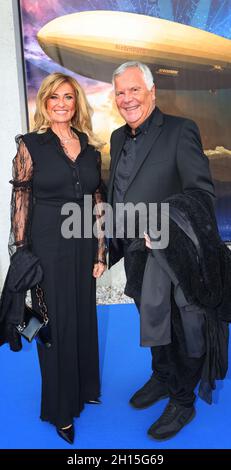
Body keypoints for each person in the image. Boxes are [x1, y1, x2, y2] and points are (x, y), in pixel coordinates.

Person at [107, 61, 215, 439]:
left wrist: (164, 224)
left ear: (152, 91)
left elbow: (201, 193)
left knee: (180, 328)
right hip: (135, 253)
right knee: (151, 321)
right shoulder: (118, 137)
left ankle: (183, 401)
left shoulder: (181, 131)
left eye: (135, 90)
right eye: (121, 92)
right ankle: (163, 376)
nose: (127, 98)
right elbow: (118, 195)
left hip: (171, 256)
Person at [7, 72, 106, 444]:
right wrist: (22, 253)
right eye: (54, 98)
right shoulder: (30, 145)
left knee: (81, 317)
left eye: (68, 97)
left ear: (76, 102)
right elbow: (21, 200)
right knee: (52, 326)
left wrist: (100, 249)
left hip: (82, 247)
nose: (62, 103)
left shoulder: (90, 146)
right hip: (46, 247)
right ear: (44, 103)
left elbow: (97, 200)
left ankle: (82, 388)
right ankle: (59, 409)